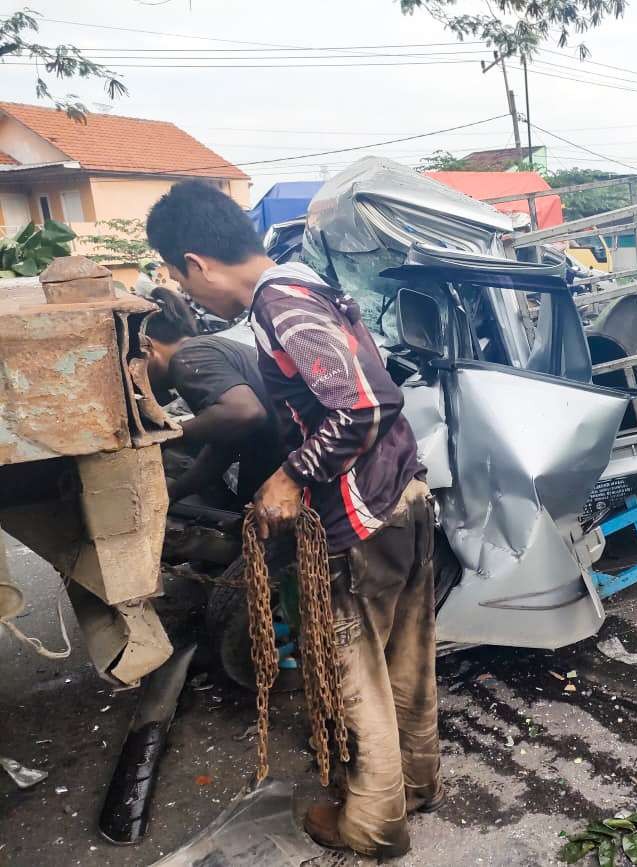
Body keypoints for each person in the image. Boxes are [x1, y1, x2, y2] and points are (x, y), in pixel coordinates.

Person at [146, 181, 441, 859]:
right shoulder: (307, 281)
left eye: (185, 281)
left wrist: (290, 475)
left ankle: (373, 823)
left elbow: (362, 406)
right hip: (405, 495)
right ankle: (416, 783)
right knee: (407, 657)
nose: (195, 302)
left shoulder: (278, 302)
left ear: (196, 263)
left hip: (360, 511)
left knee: (349, 668)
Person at [143, 286, 284, 505]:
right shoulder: (208, 350)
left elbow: (245, 413)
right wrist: (172, 494)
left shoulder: (187, 357)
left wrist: (164, 438)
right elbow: (223, 447)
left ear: (148, 349)